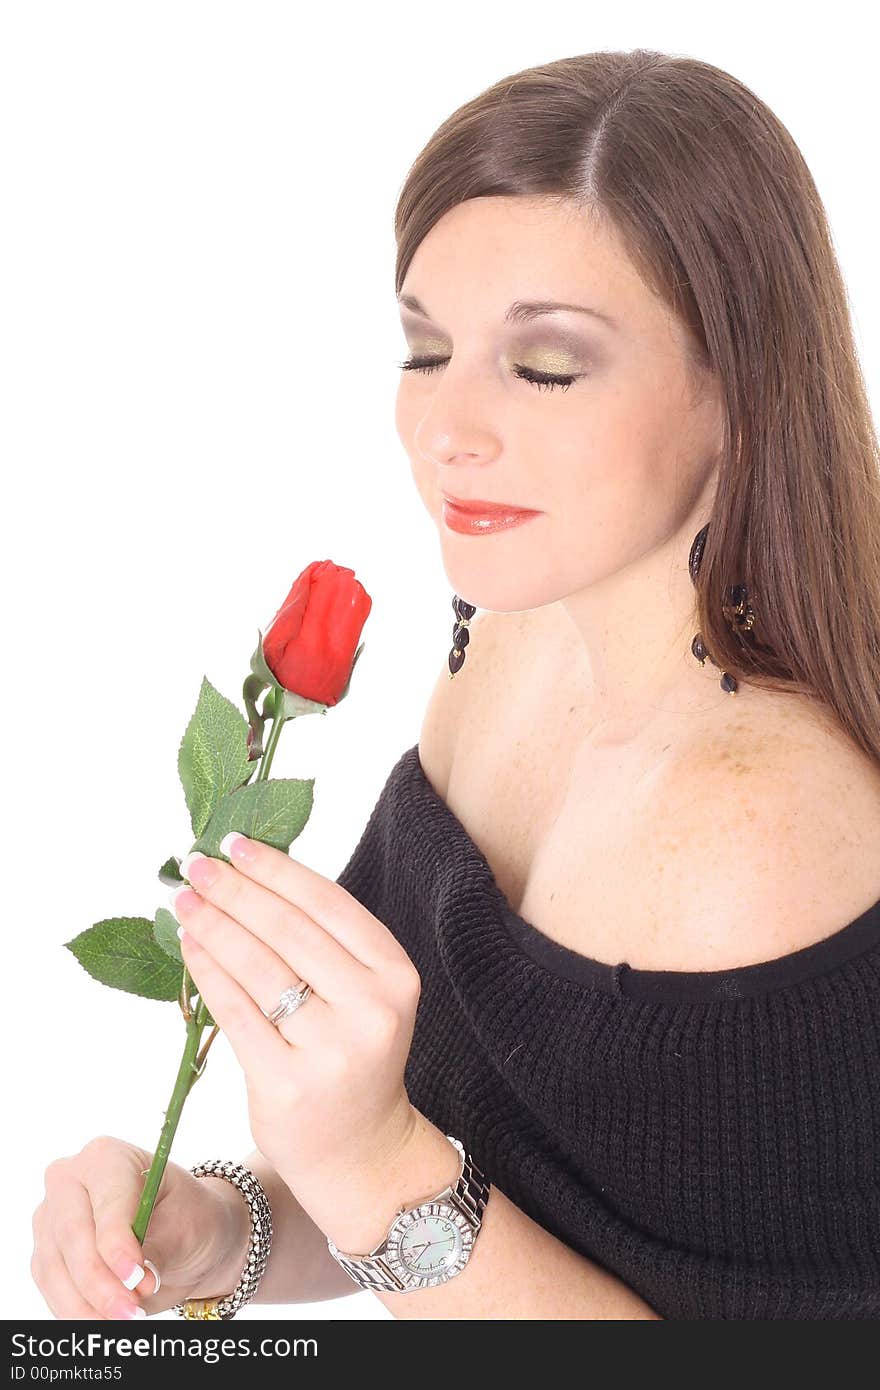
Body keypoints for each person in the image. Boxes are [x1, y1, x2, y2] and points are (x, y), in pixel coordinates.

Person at [31, 48, 880, 1321]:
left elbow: (404, 1175)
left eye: (544, 365)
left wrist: (364, 1164)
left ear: (734, 393)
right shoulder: (517, 643)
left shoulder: (751, 836)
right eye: (426, 350)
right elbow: (455, 1174)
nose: (446, 428)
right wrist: (233, 1225)